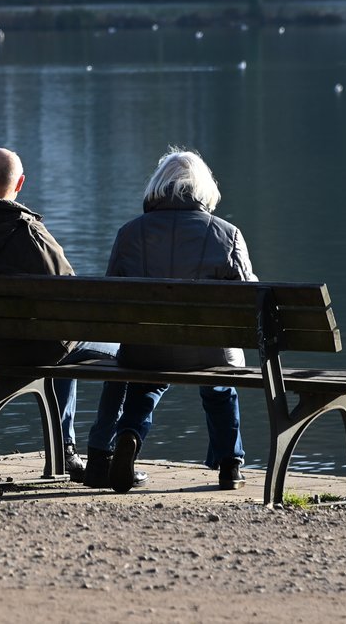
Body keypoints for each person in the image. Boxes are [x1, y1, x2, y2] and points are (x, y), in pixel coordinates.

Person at [0, 147, 120, 482]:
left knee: (63, 340)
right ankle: (93, 452)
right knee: (120, 350)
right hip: (38, 349)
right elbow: (72, 295)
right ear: (19, 184)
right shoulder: (29, 234)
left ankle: (65, 450)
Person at [90, 147, 255, 493]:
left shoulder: (129, 233)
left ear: (158, 186)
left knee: (146, 379)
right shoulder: (227, 234)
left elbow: (110, 299)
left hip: (145, 351)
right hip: (208, 352)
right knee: (220, 382)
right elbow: (251, 300)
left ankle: (129, 436)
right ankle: (230, 465)